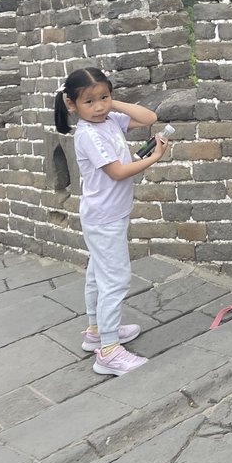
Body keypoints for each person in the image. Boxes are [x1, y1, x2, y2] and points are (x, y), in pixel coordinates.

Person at [54, 67, 169, 376]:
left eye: (104, 97)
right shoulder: (88, 134)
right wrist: (153, 158)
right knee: (114, 280)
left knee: (97, 273)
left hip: (107, 214)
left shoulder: (108, 120)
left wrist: (111, 103)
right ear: (71, 104)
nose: (99, 106)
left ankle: (96, 332)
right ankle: (108, 352)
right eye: (89, 102)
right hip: (104, 218)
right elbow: (117, 172)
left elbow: (149, 118)